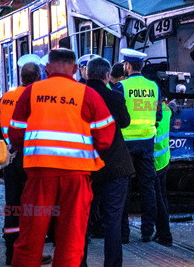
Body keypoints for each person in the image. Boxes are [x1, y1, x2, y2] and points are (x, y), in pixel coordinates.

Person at [9, 48, 116, 267]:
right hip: (76, 177)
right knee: (71, 239)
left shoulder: (31, 92)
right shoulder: (88, 94)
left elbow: (16, 133)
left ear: (46, 68)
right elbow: (105, 138)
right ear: (76, 69)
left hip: (39, 175)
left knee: (30, 237)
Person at [81, 56, 135, 267]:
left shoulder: (79, 97)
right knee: (113, 220)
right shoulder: (114, 97)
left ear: (86, 73)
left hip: (86, 166)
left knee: (83, 218)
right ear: (106, 76)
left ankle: (80, 262)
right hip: (115, 165)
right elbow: (125, 122)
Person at [0, 56, 52, 265]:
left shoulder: (5, 98)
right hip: (31, 159)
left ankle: (11, 254)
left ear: (21, 77)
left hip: (10, 159)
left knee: (12, 207)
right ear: (38, 77)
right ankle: (32, 255)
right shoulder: (37, 97)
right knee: (33, 209)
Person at [115, 48, 161, 243]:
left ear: (127, 66)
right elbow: (158, 115)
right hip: (147, 141)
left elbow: (116, 115)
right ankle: (147, 232)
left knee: (122, 188)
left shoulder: (121, 87)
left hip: (125, 143)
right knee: (147, 187)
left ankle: (124, 234)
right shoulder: (154, 87)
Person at [153, 102, 173, 247]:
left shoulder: (146, 107)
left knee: (157, 199)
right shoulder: (166, 109)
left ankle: (164, 235)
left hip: (153, 161)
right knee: (162, 197)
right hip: (163, 160)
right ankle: (163, 233)